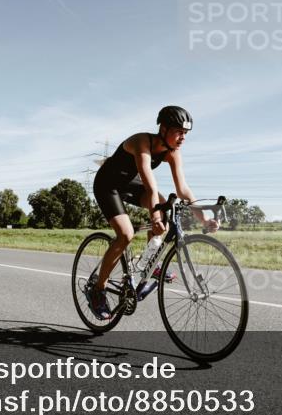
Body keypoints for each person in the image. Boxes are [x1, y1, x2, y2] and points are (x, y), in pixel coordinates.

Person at [87, 106, 218, 319]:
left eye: (186, 133)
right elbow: (150, 184)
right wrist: (154, 216)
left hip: (130, 184)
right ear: (163, 129)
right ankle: (97, 290)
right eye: (179, 131)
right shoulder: (142, 142)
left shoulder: (173, 152)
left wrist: (204, 219)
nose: (183, 137)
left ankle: (150, 262)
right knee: (126, 234)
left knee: (166, 207)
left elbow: (183, 189)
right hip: (107, 184)